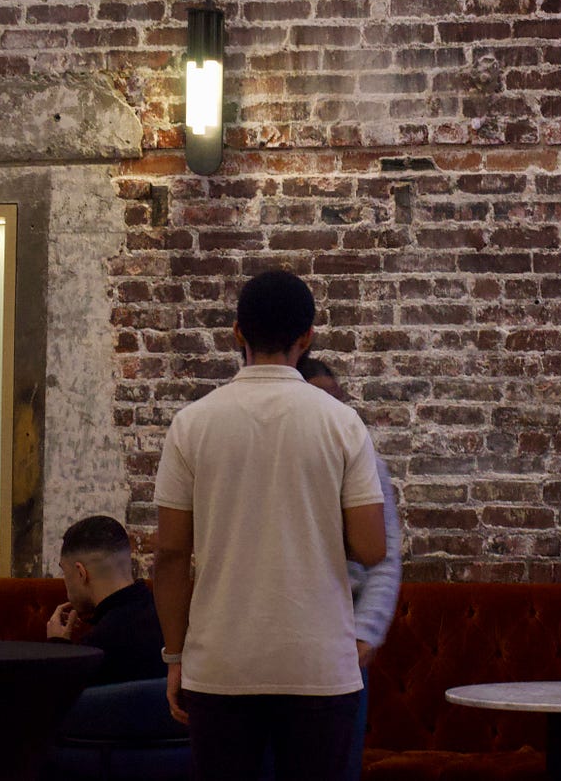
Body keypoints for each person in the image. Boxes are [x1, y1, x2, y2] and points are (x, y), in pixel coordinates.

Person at [153, 270, 386, 781]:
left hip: (220, 667)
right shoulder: (341, 423)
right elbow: (372, 548)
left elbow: (169, 555)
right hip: (319, 666)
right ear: (307, 338)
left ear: (237, 333)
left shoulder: (192, 424)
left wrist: (175, 655)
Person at [296, 353, 403, 781]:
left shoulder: (362, 459)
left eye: (338, 400)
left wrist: (366, 632)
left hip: (338, 647)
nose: (335, 412)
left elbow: (384, 557)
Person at [47, 515, 164, 685]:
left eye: (64, 572)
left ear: (81, 573)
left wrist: (57, 648)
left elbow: (56, 700)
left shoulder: (95, 650)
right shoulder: (168, 618)